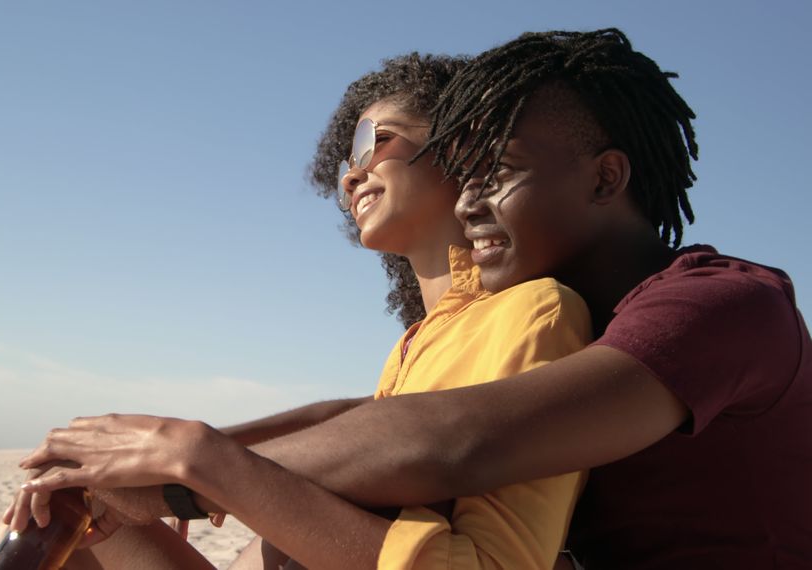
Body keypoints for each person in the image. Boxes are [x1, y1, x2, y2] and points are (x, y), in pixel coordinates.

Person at [166, 29, 808, 568]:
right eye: (463, 179)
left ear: (605, 177)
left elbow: (456, 437)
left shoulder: (721, 304)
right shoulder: (554, 315)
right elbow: (385, 415)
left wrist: (191, 472)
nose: (469, 204)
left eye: (494, 175)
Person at [0, 53, 593, 569]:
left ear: (460, 147)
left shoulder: (534, 314)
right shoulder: (415, 346)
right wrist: (141, 472)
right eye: (343, 166)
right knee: (59, 507)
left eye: (373, 142)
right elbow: (339, 424)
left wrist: (195, 467)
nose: (353, 172)